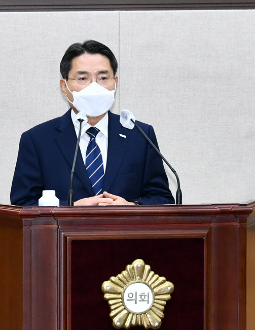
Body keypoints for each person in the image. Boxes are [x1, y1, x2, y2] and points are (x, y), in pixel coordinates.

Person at [10, 40, 174, 207]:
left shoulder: (140, 135)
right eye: (83, 78)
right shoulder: (37, 140)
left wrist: (132, 207)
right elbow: (22, 204)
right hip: (63, 233)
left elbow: (162, 198)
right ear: (64, 86)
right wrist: (71, 208)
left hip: (124, 232)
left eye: (103, 78)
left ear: (115, 82)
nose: (94, 87)